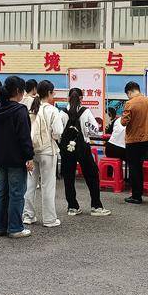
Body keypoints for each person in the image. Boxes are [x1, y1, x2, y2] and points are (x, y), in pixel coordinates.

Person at [0, 76, 35, 238]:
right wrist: (29, 156)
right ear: (18, 91)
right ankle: (15, 228)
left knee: (1, 192)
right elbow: (24, 136)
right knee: (16, 192)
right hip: (16, 158)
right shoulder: (20, 110)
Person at [59, 88, 111, 217]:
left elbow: (58, 131)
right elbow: (95, 130)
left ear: (68, 98)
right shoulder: (85, 112)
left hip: (67, 149)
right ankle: (96, 206)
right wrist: (85, 130)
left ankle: (72, 207)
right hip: (83, 147)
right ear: (81, 98)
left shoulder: (63, 113)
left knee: (69, 177)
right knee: (91, 175)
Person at [23, 80, 65, 228]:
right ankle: (49, 219)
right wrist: (53, 136)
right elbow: (58, 131)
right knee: (48, 185)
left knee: (30, 184)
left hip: (32, 150)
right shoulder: (52, 110)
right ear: (49, 93)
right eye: (53, 92)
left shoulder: (32, 108)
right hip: (48, 151)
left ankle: (28, 215)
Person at [120, 81, 148, 205]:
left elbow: (123, 122)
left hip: (133, 140)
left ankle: (136, 195)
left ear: (129, 92)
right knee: (140, 167)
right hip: (147, 139)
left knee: (134, 168)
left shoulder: (130, 103)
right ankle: (139, 193)